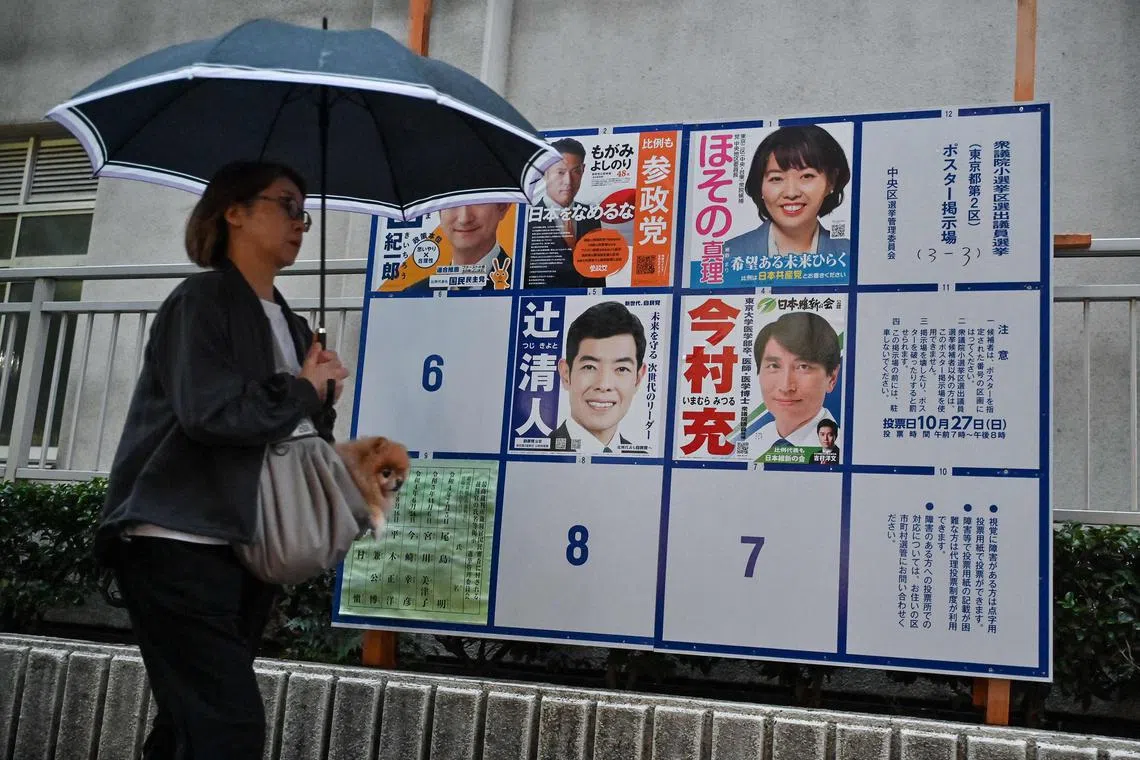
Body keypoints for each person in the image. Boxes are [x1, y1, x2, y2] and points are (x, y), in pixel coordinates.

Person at [94, 161, 351, 759]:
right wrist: (300, 390)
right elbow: (210, 414)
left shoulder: (289, 321)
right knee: (227, 728)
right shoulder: (202, 300)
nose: (300, 223)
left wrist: (321, 396)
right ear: (233, 212)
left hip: (242, 545)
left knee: (190, 725)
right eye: (286, 205)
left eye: (304, 211)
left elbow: (285, 434)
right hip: (174, 539)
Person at [724, 125, 850, 270]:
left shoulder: (850, 255)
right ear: (760, 186)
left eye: (807, 176)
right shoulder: (728, 255)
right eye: (776, 179)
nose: (791, 193)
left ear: (831, 181)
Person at [550, 301, 647, 454]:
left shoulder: (643, 461)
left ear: (638, 378)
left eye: (621, 369)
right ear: (565, 374)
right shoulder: (536, 452)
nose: (604, 384)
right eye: (589, 367)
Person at [750, 311, 841, 458]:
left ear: (832, 378)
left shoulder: (843, 452)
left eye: (803, 367)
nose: (786, 387)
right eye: (774, 366)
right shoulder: (752, 443)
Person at [523, 137, 605, 289]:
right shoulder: (526, 218)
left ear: (583, 170)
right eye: (560, 172)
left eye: (576, 172)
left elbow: (597, 274)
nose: (568, 181)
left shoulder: (590, 215)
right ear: (545, 172)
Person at [406, 202, 513, 291]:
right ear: (439, 211)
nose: (464, 219)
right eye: (452, 202)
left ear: (502, 206)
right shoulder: (414, 295)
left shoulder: (525, 285)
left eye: (477, 201)